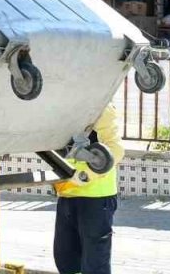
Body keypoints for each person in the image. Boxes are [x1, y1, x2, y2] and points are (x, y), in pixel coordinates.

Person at [53, 103, 124, 274]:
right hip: (67, 194)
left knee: (94, 265)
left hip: (96, 197)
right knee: (66, 260)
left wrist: (83, 176)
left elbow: (115, 149)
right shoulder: (62, 108)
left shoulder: (101, 106)